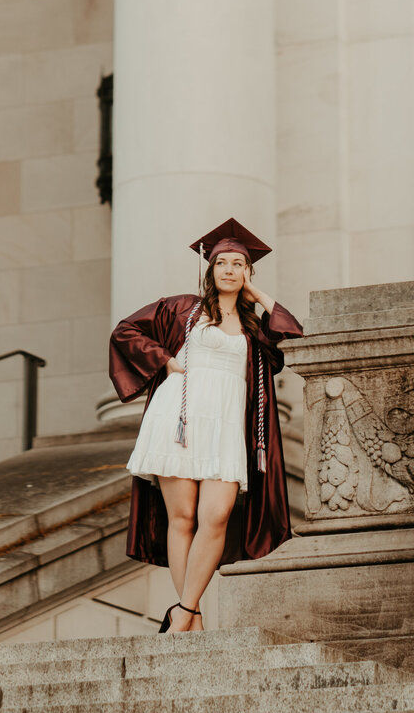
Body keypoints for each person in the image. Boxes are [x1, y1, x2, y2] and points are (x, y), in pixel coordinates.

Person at [108, 218, 304, 633]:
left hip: (226, 427)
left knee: (216, 515)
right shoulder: (182, 308)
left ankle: (182, 612)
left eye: (239, 264)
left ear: (248, 272)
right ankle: (191, 616)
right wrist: (163, 360)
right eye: (222, 263)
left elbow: (293, 328)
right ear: (209, 270)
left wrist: (256, 294)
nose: (229, 270)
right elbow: (125, 331)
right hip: (178, 418)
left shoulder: (255, 328)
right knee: (182, 518)